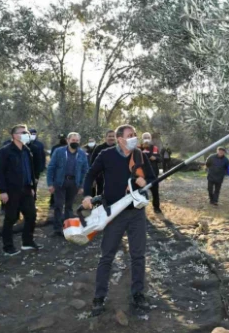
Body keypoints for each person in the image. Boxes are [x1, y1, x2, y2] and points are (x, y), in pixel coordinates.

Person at [81, 124, 156, 317]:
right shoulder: (106, 155)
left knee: (138, 255)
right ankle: (99, 297)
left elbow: (152, 179)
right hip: (114, 213)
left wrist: (144, 183)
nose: (134, 138)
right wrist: (88, 195)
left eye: (135, 135)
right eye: (130, 135)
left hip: (137, 213)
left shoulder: (140, 155)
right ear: (120, 139)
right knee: (107, 256)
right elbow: (91, 174)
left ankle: (138, 294)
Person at [0, 125, 42, 256]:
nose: (26, 134)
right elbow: (0, 172)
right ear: (14, 135)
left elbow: (30, 170)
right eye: (23, 132)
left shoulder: (27, 150)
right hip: (11, 190)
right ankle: (8, 247)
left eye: (27, 132)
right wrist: (3, 191)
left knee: (31, 215)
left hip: (27, 189)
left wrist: (32, 187)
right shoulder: (5, 151)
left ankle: (27, 242)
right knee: (11, 218)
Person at [46, 132, 89, 237]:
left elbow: (85, 170)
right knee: (58, 205)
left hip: (74, 183)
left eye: (77, 140)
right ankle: (57, 229)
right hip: (59, 182)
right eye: (73, 140)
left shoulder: (82, 154)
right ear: (68, 140)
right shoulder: (59, 151)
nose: (75, 142)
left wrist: (82, 185)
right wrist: (50, 184)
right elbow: (51, 167)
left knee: (69, 207)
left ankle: (68, 229)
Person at [139, 132, 162, 213]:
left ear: (151, 138)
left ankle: (156, 208)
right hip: (142, 175)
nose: (146, 138)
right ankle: (141, 209)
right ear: (142, 138)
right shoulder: (139, 148)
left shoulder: (155, 148)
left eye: (148, 137)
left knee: (155, 192)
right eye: (145, 137)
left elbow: (160, 159)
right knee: (141, 192)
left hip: (153, 173)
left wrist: (155, 158)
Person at [89, 130, 116, 197]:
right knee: (100, 195)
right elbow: (92, 163)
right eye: (109, 136)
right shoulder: (99, 148)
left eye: (113, 136)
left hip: (115, 177)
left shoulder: (119, 148)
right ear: (106, 137)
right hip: (101, 177)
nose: (111, 138)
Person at [48, 133, 68, 210]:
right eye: (61, 138)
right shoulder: (55, 148)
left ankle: (63, 203)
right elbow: (52, 159)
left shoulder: (69, 147)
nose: (63, 140)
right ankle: (53, 202)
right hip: (57, 170)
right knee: (56, 186)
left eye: (64, 138)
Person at [28, 128, 47, 198]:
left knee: (34, 184)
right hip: (27, 167)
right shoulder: (26, 143)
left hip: (36, 168)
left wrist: (42, 167)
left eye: (34, 134)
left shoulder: (39, 144)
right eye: (31, 134)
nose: (33, 135)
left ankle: (33, 199)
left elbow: (42, 156)